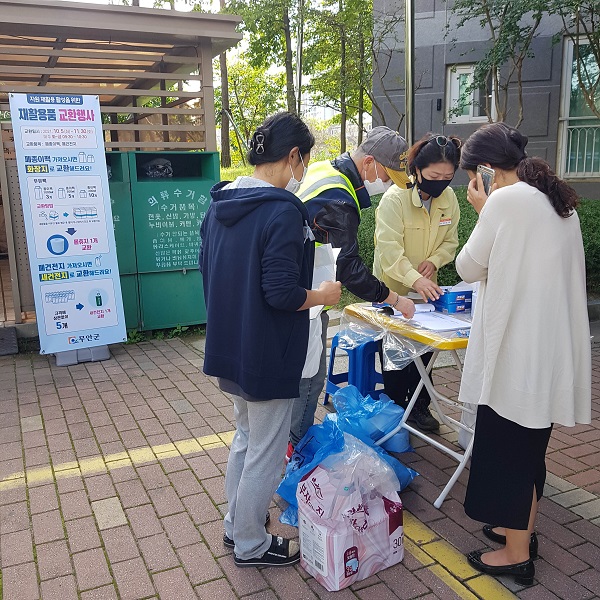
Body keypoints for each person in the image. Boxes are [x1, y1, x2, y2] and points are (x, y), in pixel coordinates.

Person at [199, 112, 342, 568]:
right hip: (266, 351)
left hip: (230, 345)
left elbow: (210, 272)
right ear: (293, 156)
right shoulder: (281, 210)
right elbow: (280, 292)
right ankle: (250, 543)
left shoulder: (220, 203)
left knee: (244, 437)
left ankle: (234, 526)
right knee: (264, 450)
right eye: (304, 161)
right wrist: (322, 294)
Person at [456, 122, 591, 586]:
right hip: (547, 352)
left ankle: (516, 555)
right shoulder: (557, 203)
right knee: (529, 450)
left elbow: (468, 266)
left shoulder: (506, 201)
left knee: (508, 452)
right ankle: (520, 531)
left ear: (487, 171)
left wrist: (481, 209)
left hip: (515, 354)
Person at [288, 126, 415, 453]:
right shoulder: (340, 198)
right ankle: (292, 450)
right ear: (370, 163)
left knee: (305, 378)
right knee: (309, 381)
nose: (386, 185)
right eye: (387, 177)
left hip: (297, 291)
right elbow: (349, 268)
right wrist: (395, 298)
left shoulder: (326, 170)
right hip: (305, 301)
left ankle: (288, 446)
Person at [372, 133, 461, 431]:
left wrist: (435, 261)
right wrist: (413, 279)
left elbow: (451, 242)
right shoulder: (394, 200)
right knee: (396, 354)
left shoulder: (448, 200)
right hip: (392, 292)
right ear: (417, 170)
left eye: (447, 177)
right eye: (434, 175)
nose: (441, 182)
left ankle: (420, 407)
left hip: (427, 292)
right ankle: (396, 412)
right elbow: (389, 253)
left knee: (424, 353)